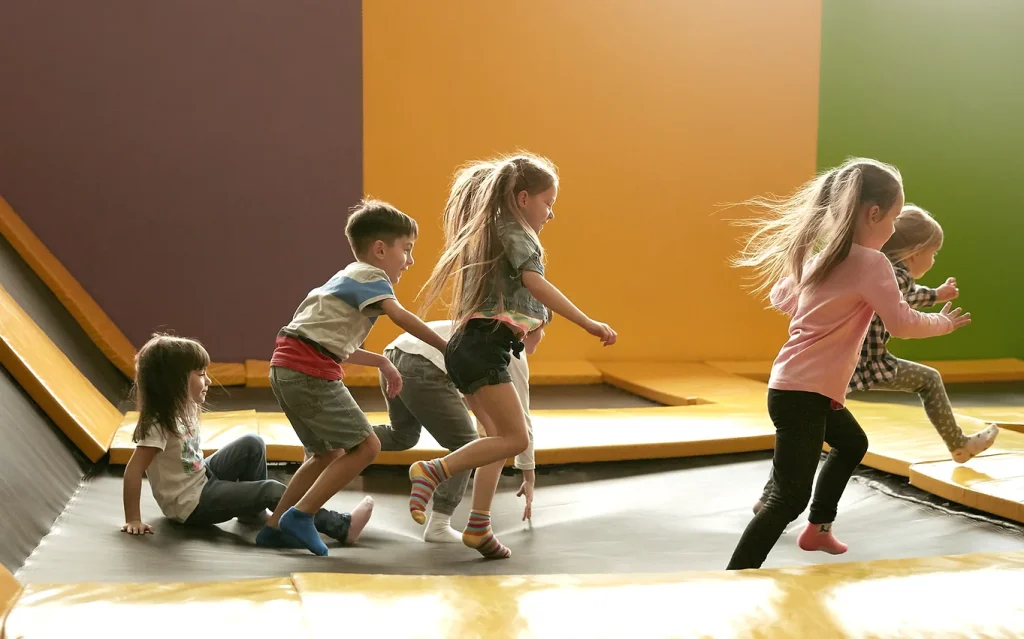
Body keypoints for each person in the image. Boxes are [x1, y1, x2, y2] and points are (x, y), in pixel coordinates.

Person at [726, 158, 971, 570]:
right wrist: (943, 322)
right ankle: (737, 574)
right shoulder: (871, 263)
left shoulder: (826, 258)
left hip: (798, 388)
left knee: (852, 443)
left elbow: (782, 299)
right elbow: (902, 323)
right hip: (804, 393)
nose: (894, 228)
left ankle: (817, 529)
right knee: (787, 498)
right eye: (893, 218)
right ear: (873, 214)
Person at [407, 153, 616, 558]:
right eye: (548, 202)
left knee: (497, 441)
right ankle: (433, 470)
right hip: (482, 348)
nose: (551, 213)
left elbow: (526, 295)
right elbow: (534, 282)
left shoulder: (493, 232)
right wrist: (588, 322)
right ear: (522, 198)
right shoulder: (517, 233)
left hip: (468, 347)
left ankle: (479, 525)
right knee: (513, 438)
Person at [753, 205, 999, 513]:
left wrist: (935, 294)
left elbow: (904, 294)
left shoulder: (871, 268)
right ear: (915, 252)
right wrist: (941, 317)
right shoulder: (887, 272)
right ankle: (958, 445)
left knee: (807, 431)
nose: (933, 260)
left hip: (834, 365)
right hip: (866, 364)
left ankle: (770, 495)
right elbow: (905, 307)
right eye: (933, 253)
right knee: (928, 380)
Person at [257, 199, 448, 556]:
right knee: (367, 446)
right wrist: (444, 346)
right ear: (380, 250)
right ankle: (301, 516)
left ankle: (275, 526)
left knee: (324, 454)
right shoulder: (373, 278)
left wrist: (382, 363)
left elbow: (330, 342)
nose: (410, 260)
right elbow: (401, 317)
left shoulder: (344, 278)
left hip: (286, 367)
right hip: (310, 372)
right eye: (406, 250)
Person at [121, 334, 364, 547]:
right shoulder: (158, 424)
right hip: (190, 505)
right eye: (201, 374)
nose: (208, 381)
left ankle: (251, 512)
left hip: (201, 479)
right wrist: (133, 518)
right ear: (173, 382)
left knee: (252, 442)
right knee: (271, 489)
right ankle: (338, 525)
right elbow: (133, 471)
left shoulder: (183, 408)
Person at [374, 316, 548, 542]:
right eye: (544, 329)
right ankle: (439, 523)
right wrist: (529, 474)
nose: (543, 337)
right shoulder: (509, 351)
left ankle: (336, 437)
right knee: (467, 445)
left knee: (402, 436)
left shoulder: (485, 326)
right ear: (529, 329)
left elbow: (490, 424)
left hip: (395, 353)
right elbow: (521, 419)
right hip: (422, 363)